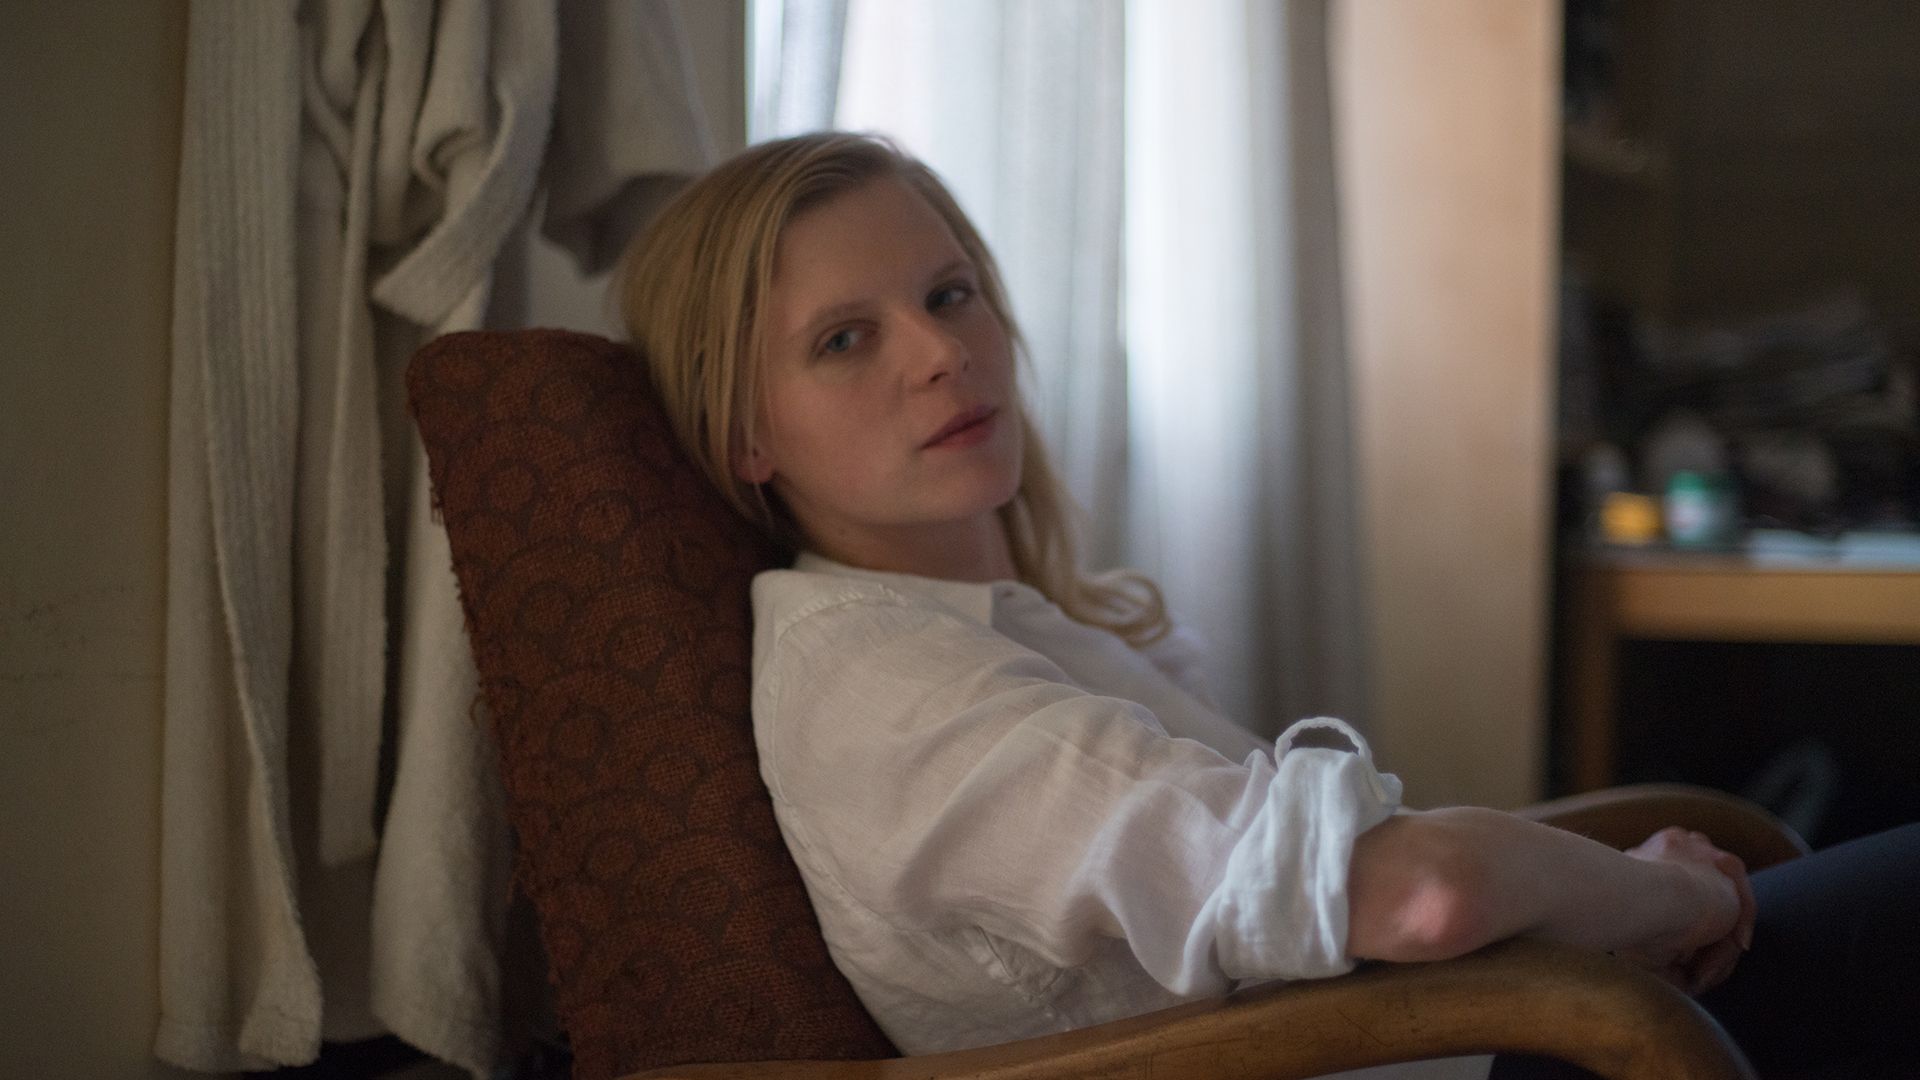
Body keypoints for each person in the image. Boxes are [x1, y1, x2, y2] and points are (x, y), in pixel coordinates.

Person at [613, 132, 1917, 1079]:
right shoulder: (883, 691)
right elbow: (1419, 898)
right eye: (844, 340)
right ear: (746, 437)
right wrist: (1670, 899)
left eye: (949, 293)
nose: (943, 352)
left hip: (1497, 1026)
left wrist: (1603, 909)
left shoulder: (977, 622)